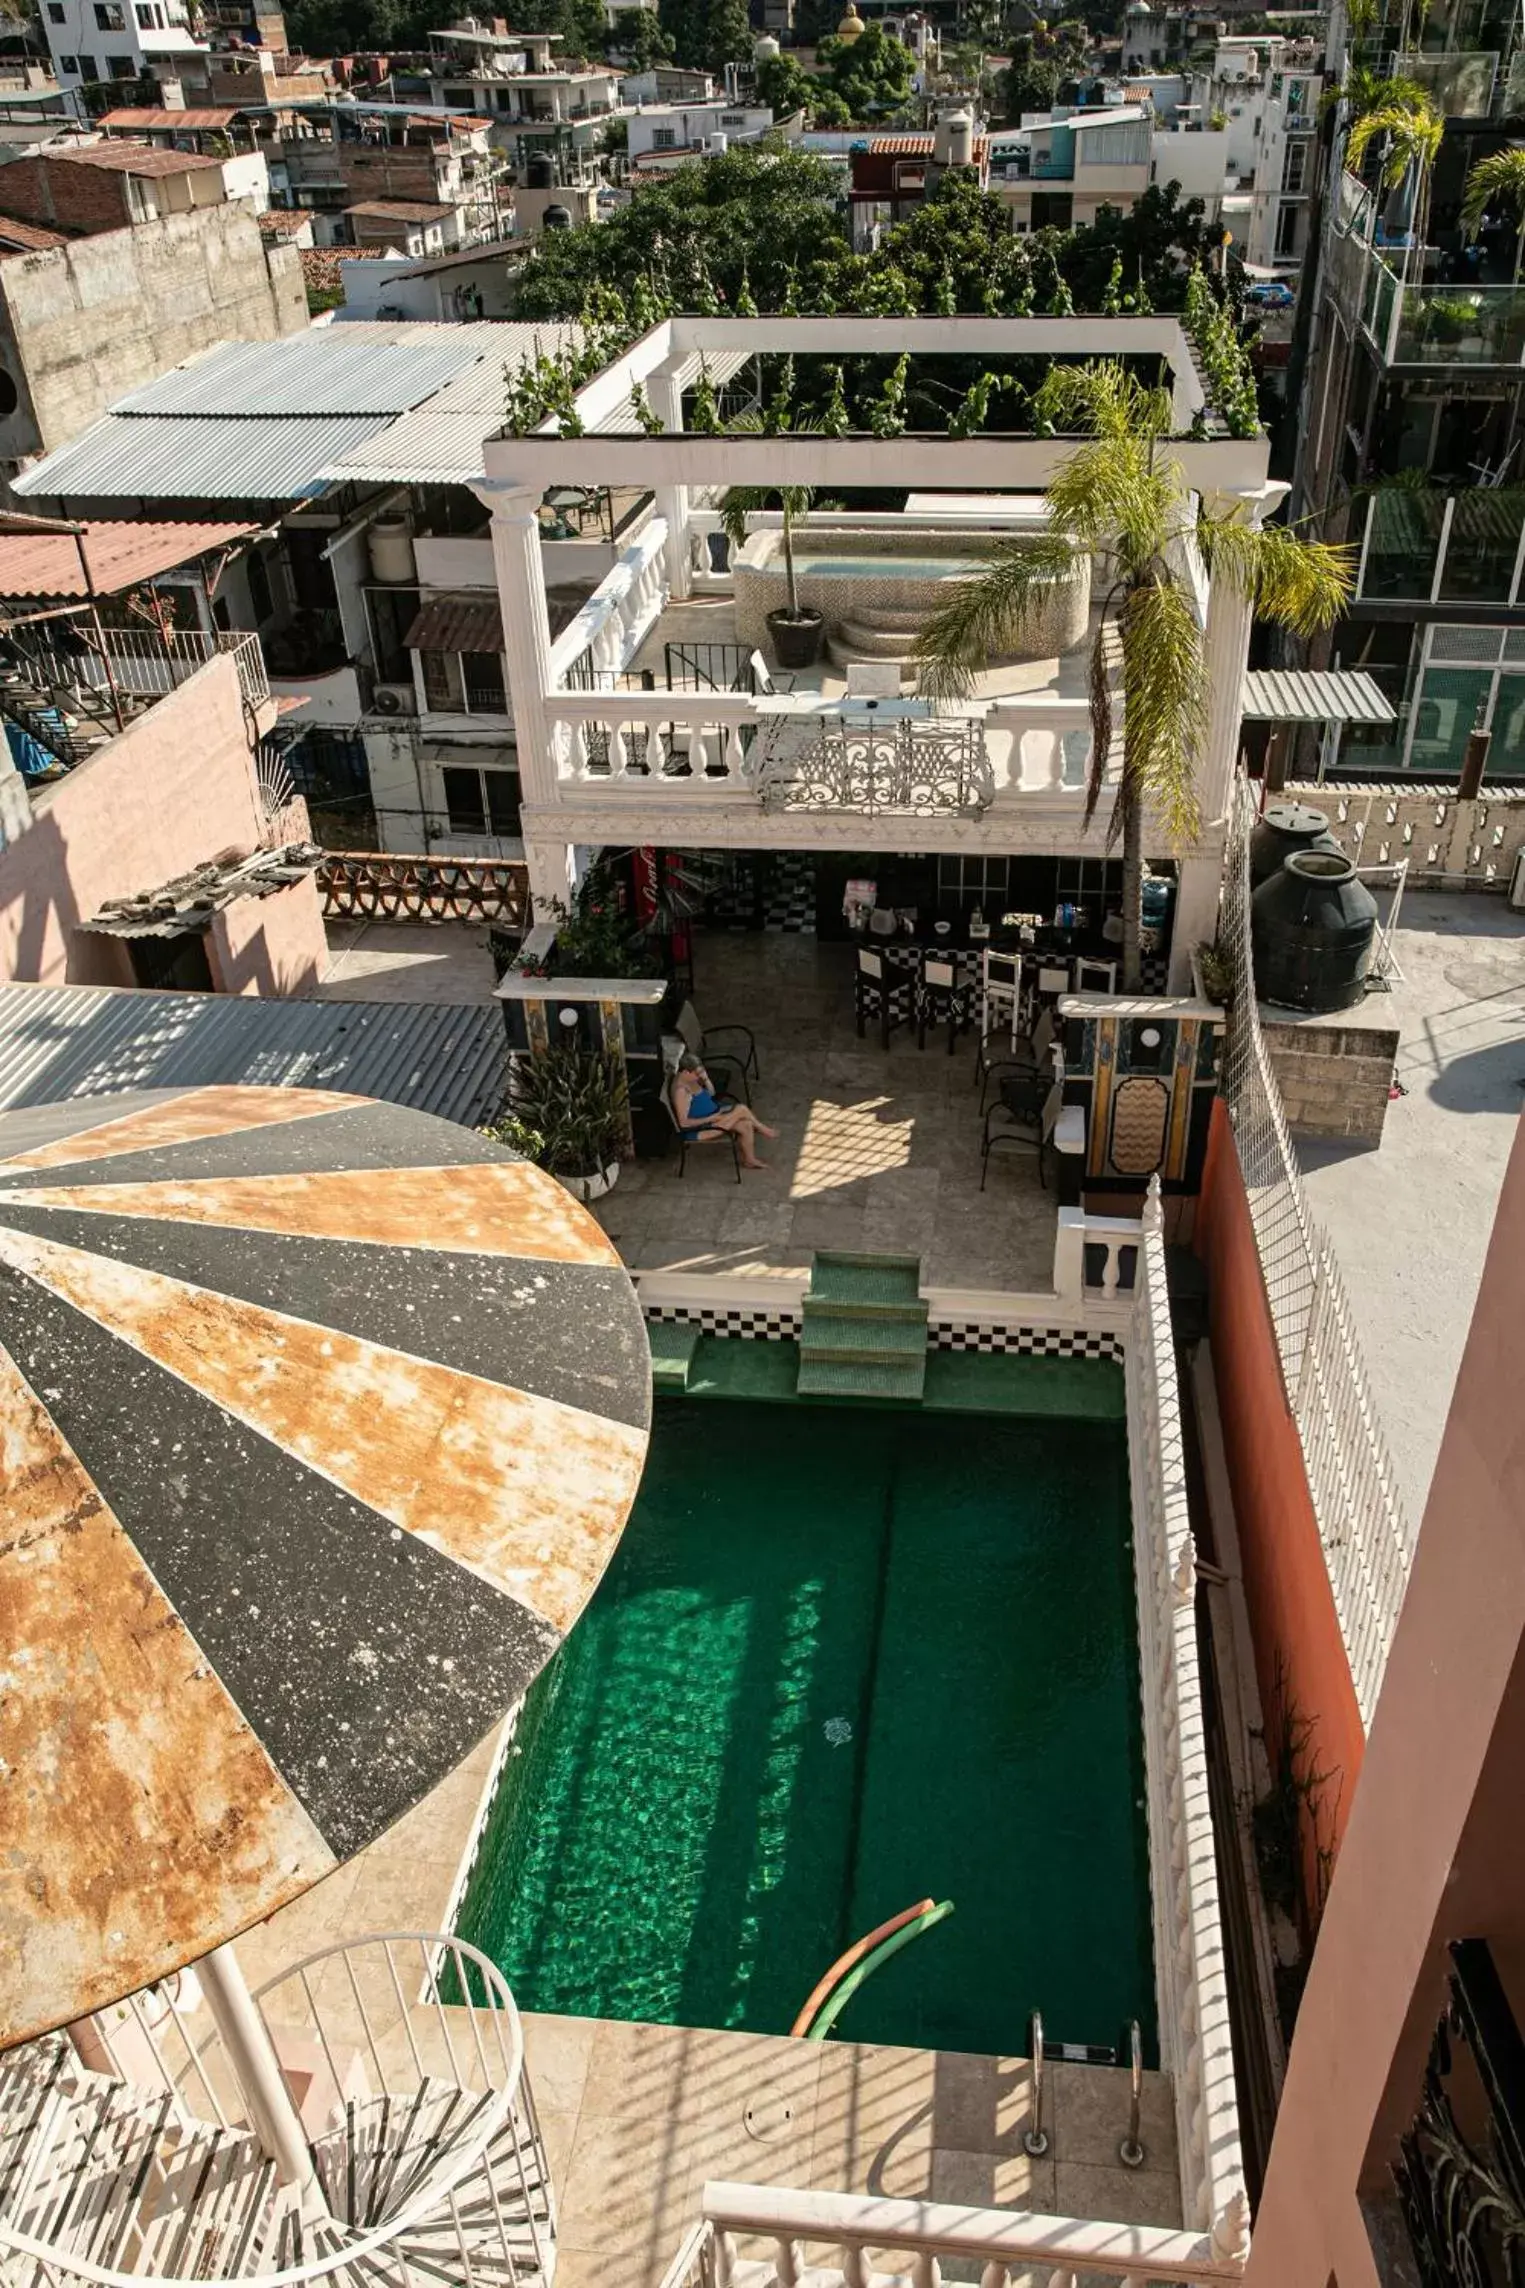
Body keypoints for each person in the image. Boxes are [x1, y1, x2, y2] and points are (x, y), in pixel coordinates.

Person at [671, 1054, 778, 1171]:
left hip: (714, 1116)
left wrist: (705, 1078)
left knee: (746, 1124)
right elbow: (683, 1123)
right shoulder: (681, 1092)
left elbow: (711, 1094)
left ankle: (750, 1160)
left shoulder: (691, 1079)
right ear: (686, 1072)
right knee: (741, 1109)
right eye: (697, 1073)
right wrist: (711, 1118)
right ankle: (761, 1128)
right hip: (703, 1128)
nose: (699, 1076)